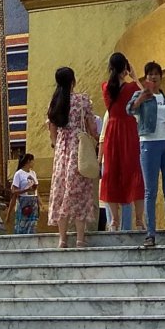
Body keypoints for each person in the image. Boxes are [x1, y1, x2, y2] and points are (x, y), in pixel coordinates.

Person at [128, 61, 165, 248]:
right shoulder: (141, 94)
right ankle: (150, 233)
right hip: (149, 144)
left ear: (161, 77)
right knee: (150, 190)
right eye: (150, 75)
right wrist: (141, 99)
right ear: (146, 78)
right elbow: (130, 109)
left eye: (156, 74)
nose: (153, 77)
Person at [46, 67, 99, 248]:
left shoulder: (55, 102)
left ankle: (62, 239)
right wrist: (96, 138)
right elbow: (92, 127)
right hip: (79, 147)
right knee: (80, 192)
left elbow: (52, 129)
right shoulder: (82, 100)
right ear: (73, 81)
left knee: (61, 191)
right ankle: (80, 238)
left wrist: (56, 144)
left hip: (62, 149)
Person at [99, 52, 145, 232]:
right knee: (134, 173)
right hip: (128, 131)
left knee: (111, 174)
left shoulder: (105, 88)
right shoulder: (132, 87)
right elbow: (146, 97)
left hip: (112, 131)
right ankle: (139, 221)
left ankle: (114, 221)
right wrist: (134, 76)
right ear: (125, 68)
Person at [7, 152, 40, 233]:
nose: (33, 163)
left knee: (32, 225)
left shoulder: (33, 173)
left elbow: (36, 190)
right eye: (32, 161)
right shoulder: (19, 174)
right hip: (23, 201)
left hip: (33, 201)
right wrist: (26, 190)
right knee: (22, 225)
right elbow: (14, 191)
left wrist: (40, 203)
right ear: (28, 161)